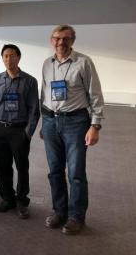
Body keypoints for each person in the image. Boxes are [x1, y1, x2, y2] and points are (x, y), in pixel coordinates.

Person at [41, 24, 104, 235]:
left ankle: (76, 216)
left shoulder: (83, 62)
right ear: (52, 41)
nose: (61, 42)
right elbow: (45, 94)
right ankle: (60, 211)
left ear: (72, 41)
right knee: (55, 171)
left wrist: (95, 126)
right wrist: (44, 122)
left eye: (66, 38)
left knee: (76, 173)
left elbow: (95, 95)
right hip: (51, 121)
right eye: (57, 38)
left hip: (75, 123)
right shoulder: (46, 64)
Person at [0, 44, 39, 219]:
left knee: (22, 167)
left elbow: (34, 109)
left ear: (19, 57)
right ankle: (7, 199)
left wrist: (28, 133)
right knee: (3, 166)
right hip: (0, 129)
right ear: (2, 59)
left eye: (12, 56)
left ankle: (22, 201)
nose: (9, 59)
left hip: (19, 130)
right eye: (5, 56)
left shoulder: (30, 81)